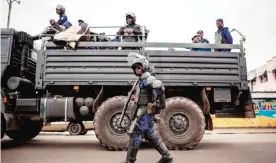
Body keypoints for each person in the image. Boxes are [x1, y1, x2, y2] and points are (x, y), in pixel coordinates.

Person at [120, 52, 173, 163]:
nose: (137, 69)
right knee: (149, 133)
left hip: (144, 112)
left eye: (139, 67)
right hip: (143, 112)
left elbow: (159, 86)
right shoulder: (141, 80)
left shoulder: (147, 79)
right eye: (135, 68)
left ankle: (129, 160)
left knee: (135, 134)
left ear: (144, 67)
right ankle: (167, 156)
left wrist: (157, 107)